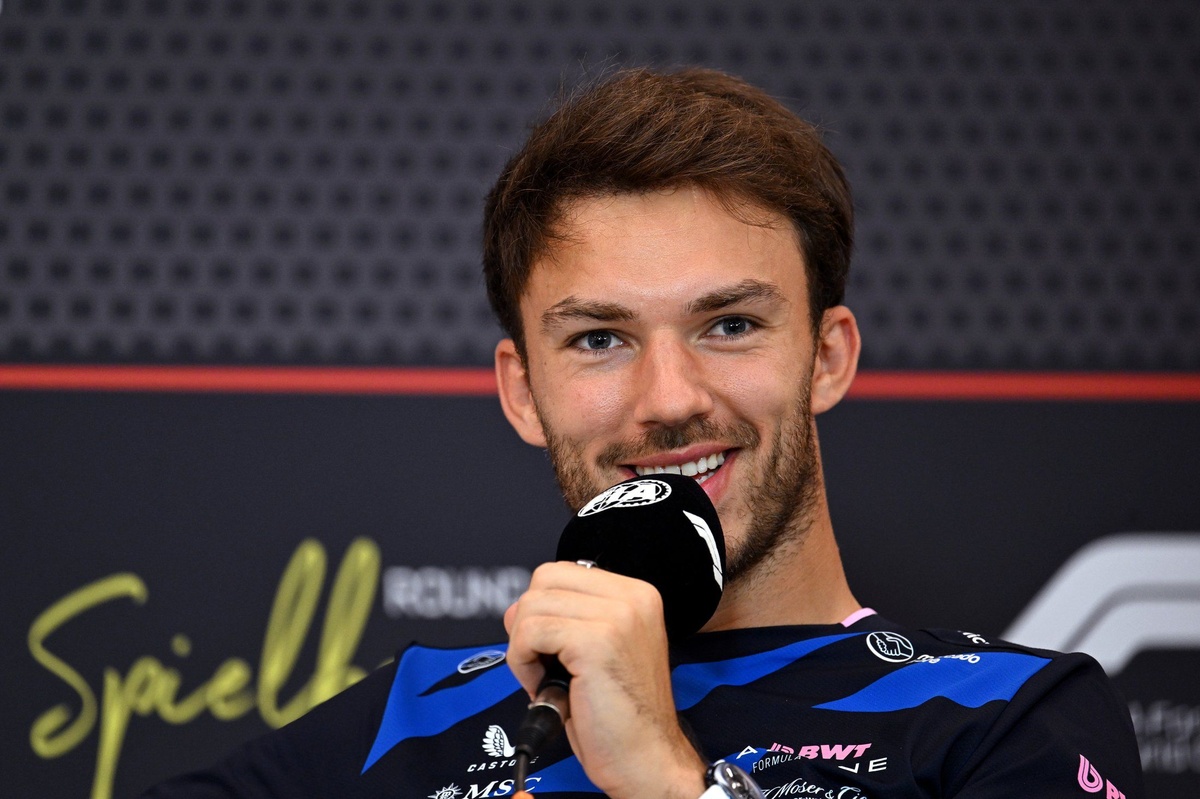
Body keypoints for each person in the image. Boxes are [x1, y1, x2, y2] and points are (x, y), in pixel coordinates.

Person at [144, 67, 1143, 799]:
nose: (669, 398)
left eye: (730, 325)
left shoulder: (1006, 717)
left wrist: (671, 781)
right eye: (599, 339)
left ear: (828, 356)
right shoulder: (408, 714)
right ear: (522, 390)